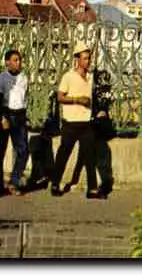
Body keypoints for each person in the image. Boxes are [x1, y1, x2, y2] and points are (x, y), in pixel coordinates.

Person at [49, 44, 105, 199]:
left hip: (86, 122)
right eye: (85, 58)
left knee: (89, 156)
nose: (88, 61)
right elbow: (60, 97)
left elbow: (94, 97)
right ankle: (55, 183)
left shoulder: (90, 77)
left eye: (89, 58)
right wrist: (77, 100)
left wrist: (98, 110)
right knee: (63, 154)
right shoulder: (68, 76)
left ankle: (92, 189)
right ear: (77, 59)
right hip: (71, 123)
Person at [66, 68, 114, 196]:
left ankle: (94, 186)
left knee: (91, 151)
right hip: (79, 122)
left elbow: (103, 104)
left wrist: (101, 111)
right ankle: (90, 186)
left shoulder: (98, 88)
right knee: (83, 151)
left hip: (93, 125)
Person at [0, 49, 29, 196]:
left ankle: (14, 181)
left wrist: (24, 115)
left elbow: (25, 97)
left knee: (23, 150)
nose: (18, 63)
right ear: (7, 62)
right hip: (6, 114)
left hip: (19, 115)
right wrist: (2, 117)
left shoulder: (24, 78)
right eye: (15, 60)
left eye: (19, 60)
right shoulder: (1, 78)